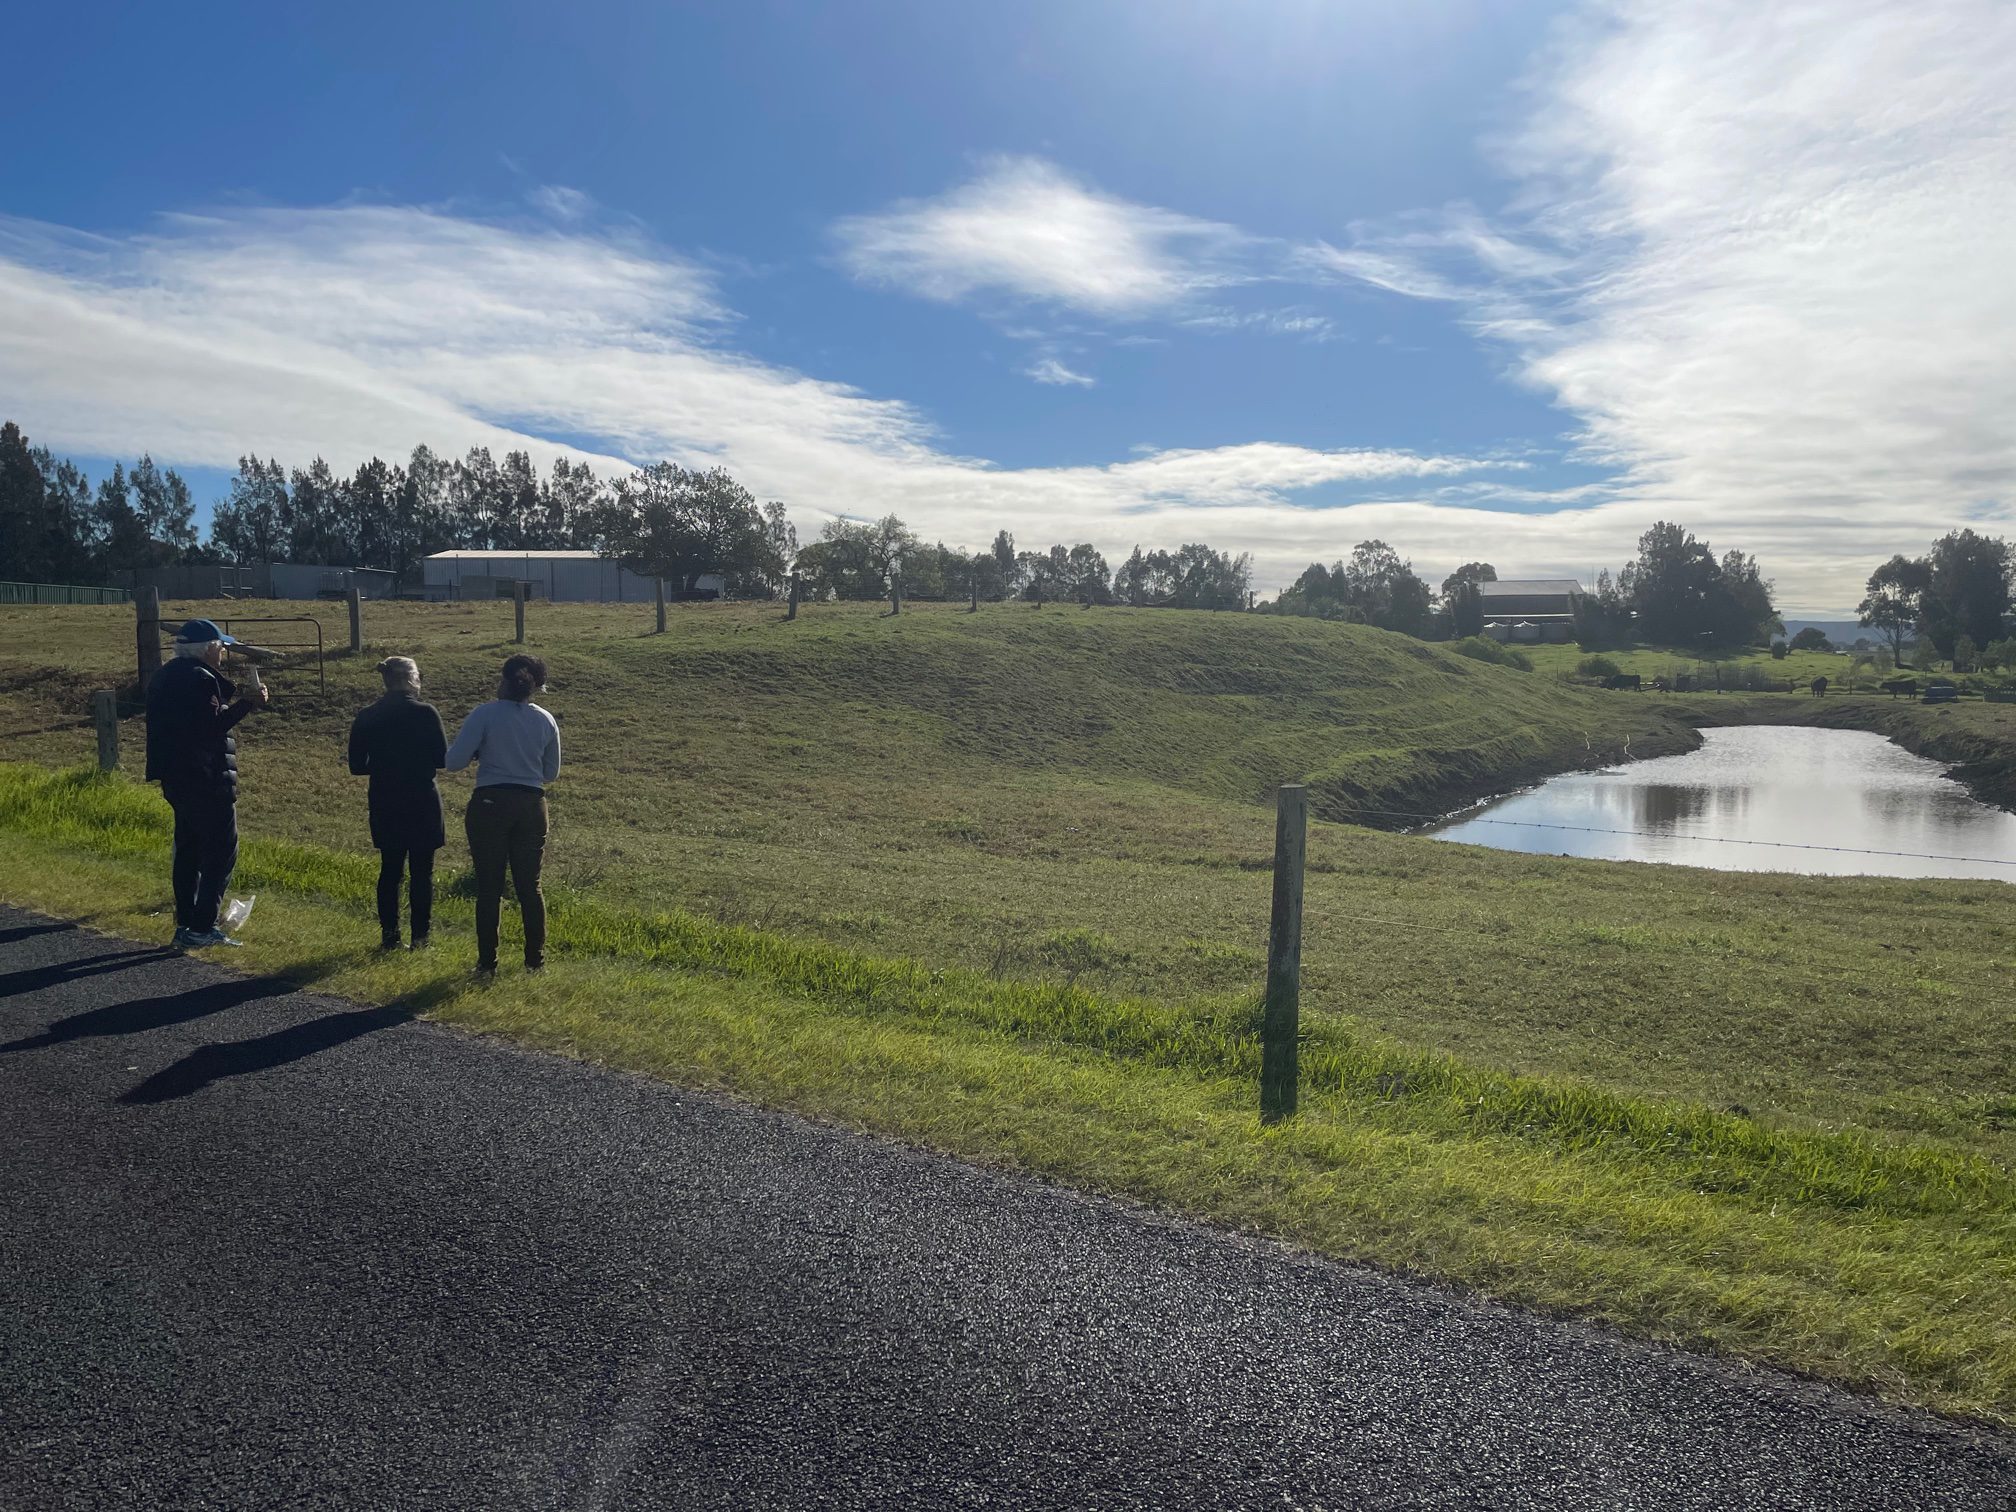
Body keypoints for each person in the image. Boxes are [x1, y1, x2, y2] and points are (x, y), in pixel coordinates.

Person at [144, 618, 269, 949]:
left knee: (187, 850)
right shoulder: (200, 680)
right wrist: (248, 703)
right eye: (220, 647)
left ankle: (186, 923)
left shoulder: (165, 675)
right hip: (205, 778)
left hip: (175, 776)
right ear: (208, 649)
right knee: (221, 851)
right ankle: (203, 926)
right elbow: (211, 727)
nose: (223, 653)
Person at [444, 654, 560, 974]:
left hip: (491, 803)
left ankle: (486, 964)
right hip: (533, 804)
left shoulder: (485, 714)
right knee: (530, 887)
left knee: (489, 887)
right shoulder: (546, 720)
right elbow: (550, 773)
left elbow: (454, 762)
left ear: (505, 681)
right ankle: (535, 962)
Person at [347, 656, 448, 951]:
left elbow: (356, 765)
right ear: (411, 679)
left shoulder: (367, 715)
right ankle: (421, 938)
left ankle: (390, 936)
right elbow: (442, 759)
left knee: (390, 870)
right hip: (422, 798)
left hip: (385, 798)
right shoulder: (426, 713)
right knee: (422, 871)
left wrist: (384, 767)